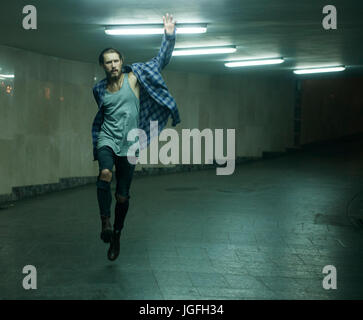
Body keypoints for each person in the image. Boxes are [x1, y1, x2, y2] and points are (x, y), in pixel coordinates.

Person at [91, 13, 180, 261]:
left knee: (122, 195)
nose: (113, 65)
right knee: (105, 174)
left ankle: (117, 234)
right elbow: (105, 113)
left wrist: (169, 35)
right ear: (103, 65)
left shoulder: (135, 77)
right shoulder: (98, 89)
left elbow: (161, 60)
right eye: (108, 62)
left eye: (116, 60)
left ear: (122, 61)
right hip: (107, 139)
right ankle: (105, 223)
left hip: (130, 145)